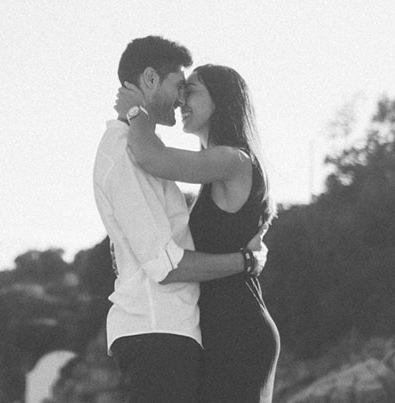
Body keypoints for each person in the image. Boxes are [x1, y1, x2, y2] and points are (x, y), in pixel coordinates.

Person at [94, 37, 268, 403]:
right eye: (180, 88)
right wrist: (245, 260)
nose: (181, 100)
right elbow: (165, 262)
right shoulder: (129, 151)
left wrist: (137, 113)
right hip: (174, 327)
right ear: (151, 79)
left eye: (191, 93)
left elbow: (155, 160)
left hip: (223, 323)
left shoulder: (230, 160)